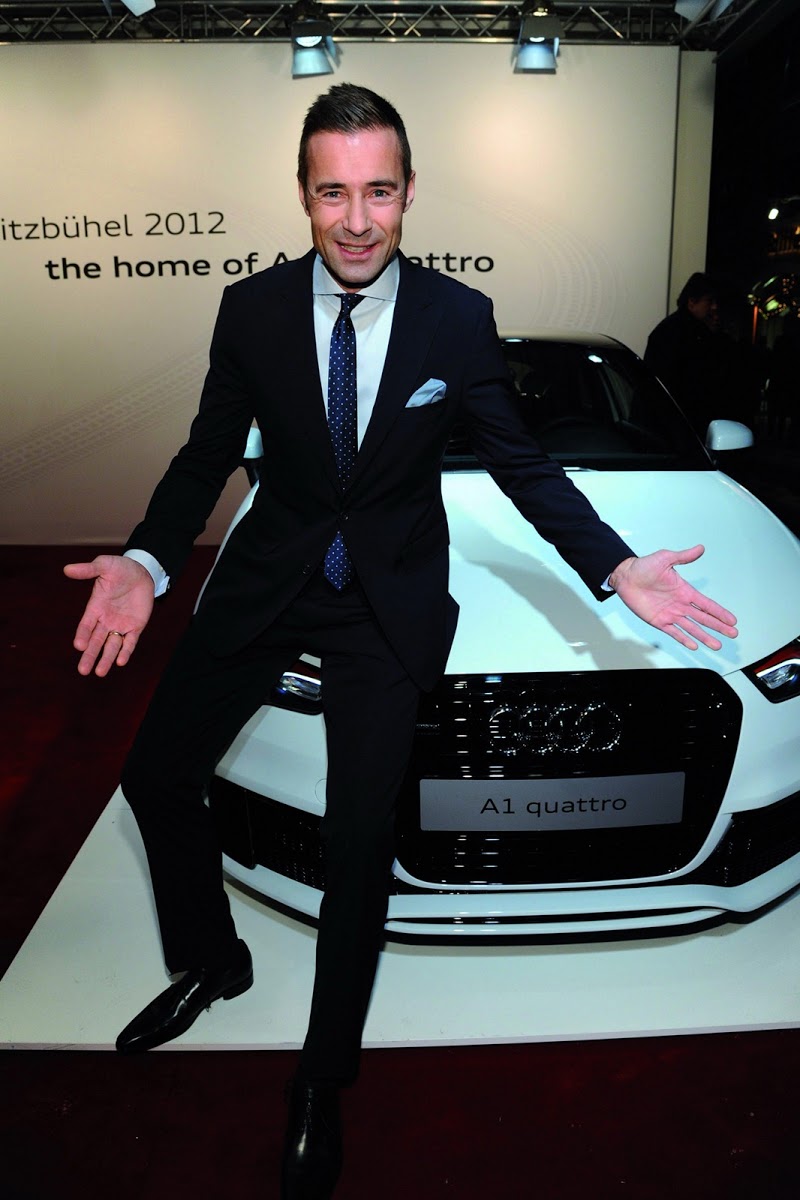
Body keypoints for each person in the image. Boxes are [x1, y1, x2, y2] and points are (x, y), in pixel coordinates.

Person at [65, 85, 738, 1199]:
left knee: (358, 835)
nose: (356, 219)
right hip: (271, 584)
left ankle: (322, 1075)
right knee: (153, 774)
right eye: (333, 192)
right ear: (303, 194)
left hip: (384, 604)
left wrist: (615, 566)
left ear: (410, 192)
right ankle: (213, 959)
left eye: (377, 191)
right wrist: (147, 558)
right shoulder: (250, 310)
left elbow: (520, 462)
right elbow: (206, 455)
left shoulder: (453, 319)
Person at [644, 271, 724, 438]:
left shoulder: (675, 329)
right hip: (679, 426)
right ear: (692, 302)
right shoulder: (681, 333)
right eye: (709, 301)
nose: (714, 307)